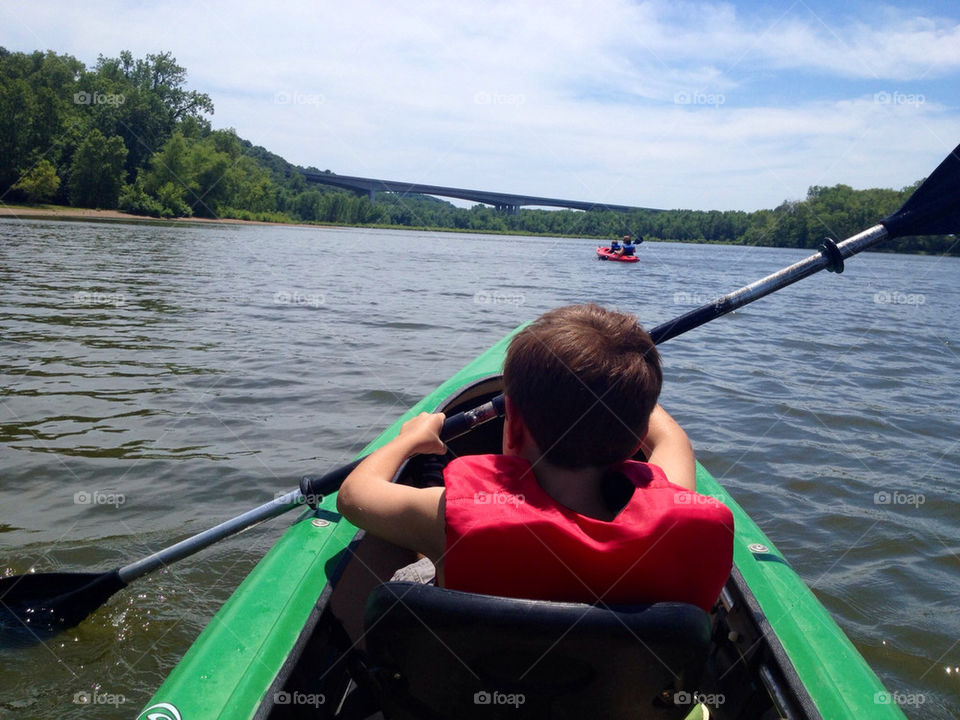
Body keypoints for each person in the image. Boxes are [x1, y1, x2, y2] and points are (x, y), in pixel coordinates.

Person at [337, 304, 733, 611]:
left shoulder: (451, 516)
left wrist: (410, 439)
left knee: (418, 558)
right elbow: (674, 441)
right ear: (636, 441)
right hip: (626, 701)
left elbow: (355, 493)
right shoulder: (676, 516)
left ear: (514, 429)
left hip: (473, 690)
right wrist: (622, 380)